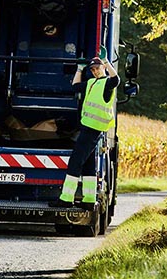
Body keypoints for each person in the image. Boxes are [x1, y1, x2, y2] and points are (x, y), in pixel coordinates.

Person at [50, 47, 120, 210]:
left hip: (92, 130)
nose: (95, 71)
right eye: (93, 69)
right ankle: (89, 200)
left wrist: (106, 62)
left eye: (97, 68)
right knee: (88, 164)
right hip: (88, 129)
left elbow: (116, 80)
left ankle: (66, 198)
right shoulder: (91, 83)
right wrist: (80, 69)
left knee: (75, 162)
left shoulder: (107, 84)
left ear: (102, 68)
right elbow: (75, 87)